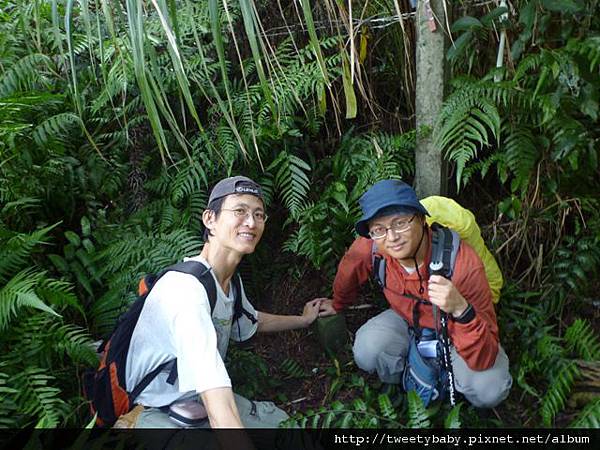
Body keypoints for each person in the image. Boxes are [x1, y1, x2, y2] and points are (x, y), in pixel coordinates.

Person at [125, 176, 321, 429]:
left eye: (259, 214)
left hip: (193, 398)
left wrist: (303, 320)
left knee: (285, 427)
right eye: (239, 211)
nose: (251, 222)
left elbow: (252, 319)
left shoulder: (226, 282)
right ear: (210, 220)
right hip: (155, 409)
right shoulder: (186, 291)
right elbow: (215, 393)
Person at [316, 180, 512, 408]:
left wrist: (461, 309)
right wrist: (338, 303)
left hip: (456, 328)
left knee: (489, 388)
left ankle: (451, 389)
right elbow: (350, 267)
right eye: (379, 229)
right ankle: (411, 380)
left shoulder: (463, 266)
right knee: (367, 350)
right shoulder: (374, 246)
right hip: (408, 319)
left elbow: (485, 355)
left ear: (421, 219)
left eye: (400, 223)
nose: (392, 237)